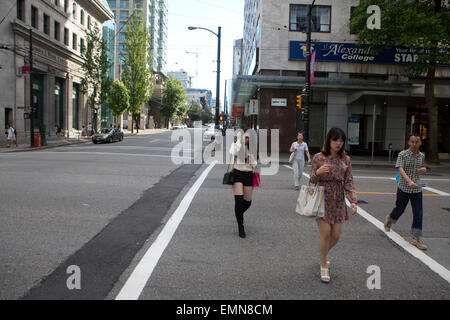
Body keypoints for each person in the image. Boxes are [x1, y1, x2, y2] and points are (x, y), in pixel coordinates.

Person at [310, 127, 358, 283]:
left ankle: (323, 253)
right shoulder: (318, 157)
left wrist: (353, 201)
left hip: (338, 199)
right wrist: (318, 173)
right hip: (322, 197)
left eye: (341, 140)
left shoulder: (346, 160)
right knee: (325, 233)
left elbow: (349, 181)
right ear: (328, 140)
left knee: (336, 235)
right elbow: (311, 180)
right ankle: (324, 265)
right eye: (335, 140)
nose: (338, 143)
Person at [384, 134, 428, 250]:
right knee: (400, 209)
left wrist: (423, 170)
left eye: (417, 142)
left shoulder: (421, 156)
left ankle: (416, 238)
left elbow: (422, 167)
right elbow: (400, 168)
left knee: (418, 213)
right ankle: (390, 219)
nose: (414, 144)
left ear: (420, 143)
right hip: (404, 187)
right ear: (408, 142)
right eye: (412, 142)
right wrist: (409, 181)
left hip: (417, 189)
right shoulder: (403, 154)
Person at [229, 131, 257, 238]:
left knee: (248, 201)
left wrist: (251, 161)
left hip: (248, 174)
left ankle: (238, 213)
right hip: (237, 173)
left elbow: (254, 163)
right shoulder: (235, 144)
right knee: (239, 200)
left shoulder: (251, 148)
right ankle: (241, 226)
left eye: (248, 138)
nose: (247, 140)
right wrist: (239, 141)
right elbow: (234, 152)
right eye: (245, 137)